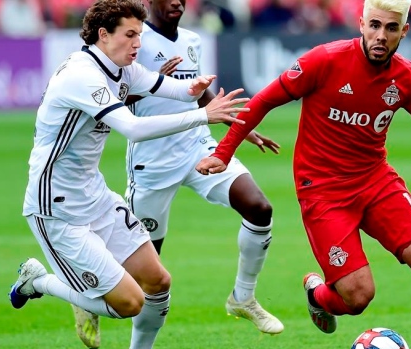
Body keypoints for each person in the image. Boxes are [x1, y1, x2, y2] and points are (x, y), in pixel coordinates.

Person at [196, 0, 411, 348]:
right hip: (322, 192)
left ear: (404, 32)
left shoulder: (407, 77)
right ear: (361, 23)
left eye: (391, 28)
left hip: (375, 179)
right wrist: (223, 152)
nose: (381, 36)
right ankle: (319, 295)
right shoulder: (325, 59)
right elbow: (263, 100)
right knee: (357, 297)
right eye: (375, 25)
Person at [8, 1, 250, 349]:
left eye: (140, 33)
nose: (139, 43)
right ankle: (39, 281)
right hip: (56, 208)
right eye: (130, 34)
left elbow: (172, 89)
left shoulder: (123, 68)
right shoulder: (81, 75)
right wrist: (203, 116)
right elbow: (133, 128)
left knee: (158, 281)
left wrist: (196, 87)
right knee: (128, 303)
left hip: (95, 195)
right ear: (103, 35)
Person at [71, 0, 284, 347]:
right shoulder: (134, 41)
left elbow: (200, 93)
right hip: (153, 164)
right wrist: (153, 83)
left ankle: (243, 297)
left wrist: (240, 128)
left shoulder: (191, 40)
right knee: (145, 275)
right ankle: (87, 291)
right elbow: (113, 102)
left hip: (198, 147)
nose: (177, 2)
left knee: (259, 208)